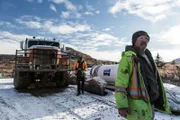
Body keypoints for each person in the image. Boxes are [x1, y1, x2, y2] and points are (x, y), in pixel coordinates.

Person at [115, 31, 171, 120]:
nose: (144, 40)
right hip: (137, 104)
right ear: (134, 41)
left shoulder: (148, 57)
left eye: (147, 39)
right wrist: (122, 105)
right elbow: (120, 84)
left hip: (150, 102)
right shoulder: (128, 58)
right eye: (141, 38)